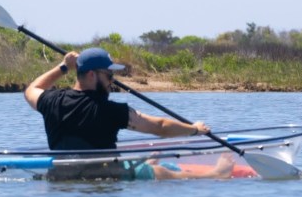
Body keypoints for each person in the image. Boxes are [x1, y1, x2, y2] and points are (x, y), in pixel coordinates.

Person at [23, 47, 234, 180]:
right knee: (161, 174)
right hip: (105, 174)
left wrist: (63, 67)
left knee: (145, 167)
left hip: (61, 176)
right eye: (109, 75)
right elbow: (158, 127)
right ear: (91, 75)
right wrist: (194, 130)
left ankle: (148, 161)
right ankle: (216, 174)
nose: (112, 81)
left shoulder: (52, 101)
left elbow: (31, 90)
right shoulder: (111, 111)